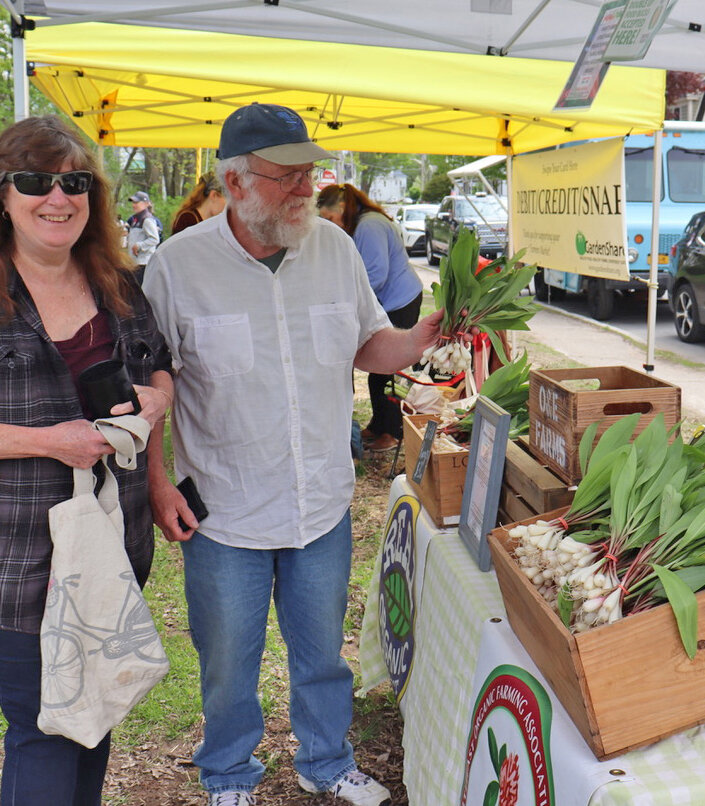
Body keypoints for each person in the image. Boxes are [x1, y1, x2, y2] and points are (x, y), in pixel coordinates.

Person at [143, 102, 445, 806]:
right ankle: (227, 772)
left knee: (320, 656)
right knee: (226, 663)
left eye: (311, 172)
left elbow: (368, 343)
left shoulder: (334, 250)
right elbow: (153, 389)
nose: (306, 187)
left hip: (321, 500)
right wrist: (158, 486)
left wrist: (419, 340)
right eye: (288, 176)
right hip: (225, 508)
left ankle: (325, 758)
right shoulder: (178, 266)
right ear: (237, 181)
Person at [0, 115, 174, 804]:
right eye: (35, 181)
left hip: (113, 550)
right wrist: (48, 440)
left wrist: (152, 407)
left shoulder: (117, 284)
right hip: (9, 566)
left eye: (75, 182)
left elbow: (161, 373)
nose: (57, 198)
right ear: (2, 195)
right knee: (47, 732)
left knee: (92, 724)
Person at [316, 183, 424, 452]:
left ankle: (392, 432)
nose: (331, 226)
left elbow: (375, 275)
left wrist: (344, 301)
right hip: (391, 300)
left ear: (342, 208)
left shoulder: (369, 225)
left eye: (330, 219)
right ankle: (379, 426)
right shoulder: (363, 223)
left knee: (385, 372)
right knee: (378, 374)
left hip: (400, 301)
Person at [127, 190, 160, 282]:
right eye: (133, 202)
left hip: (144, 263)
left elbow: (154, 239)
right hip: (135, 262)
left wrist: (139, 245)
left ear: (146, 204)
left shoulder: (147, 220)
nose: (134, 205)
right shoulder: (136, 219)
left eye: (137, 202)